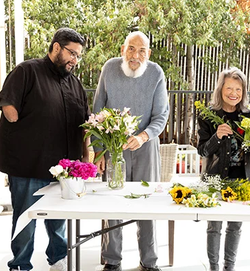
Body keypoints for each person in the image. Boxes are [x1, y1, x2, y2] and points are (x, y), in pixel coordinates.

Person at [0, 28, 89, 271]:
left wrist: (86, 156)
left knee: (58, 222)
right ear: (57, 47)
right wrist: (17, 118)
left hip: (64, 169)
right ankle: (20, 264)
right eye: (72, 53)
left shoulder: (75, 84)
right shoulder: (27, 71)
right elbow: (8, 103)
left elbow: (84, 123)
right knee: (26, 221)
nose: (75, 60)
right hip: (29, 163)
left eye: (78, 56)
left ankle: (57, 259)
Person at [93, 31, 169, 271]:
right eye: (132, 49)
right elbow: (97, 110)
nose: (136, 55)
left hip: (145, 146)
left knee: (147, 202)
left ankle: (149, 262)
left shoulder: (156, 73)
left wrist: (143, 136)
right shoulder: (109, 68)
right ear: (122, 49)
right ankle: (112, 260)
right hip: (114, 147)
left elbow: (161, 115)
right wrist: (98, 152)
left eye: (142, 51)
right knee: (111, 202)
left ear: (148, 54)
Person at [197, 67, 250, 271]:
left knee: (235, 227)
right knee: (214, 227)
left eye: (238, 89)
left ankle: (229, 267)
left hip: (241, 179)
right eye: (229, 87)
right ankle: (213, 268)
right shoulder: (208, 115)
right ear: (220, 89)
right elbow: (202, 150)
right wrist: (216, 137)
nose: (233, 93)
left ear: (243, 91)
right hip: (214, 178)